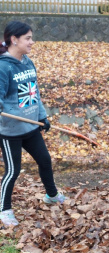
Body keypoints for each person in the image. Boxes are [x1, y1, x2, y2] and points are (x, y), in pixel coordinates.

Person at [0, 21, 66, 227]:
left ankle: (52, 195)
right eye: (27, 38)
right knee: (13, 171)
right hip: (11, 131)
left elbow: (34, 93)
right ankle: (4, 210)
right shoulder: (3, 68)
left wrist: (42, 117)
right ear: (14, 39)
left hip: (31, 126)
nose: (32, 41)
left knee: (45, 161)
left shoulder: (27, 62)